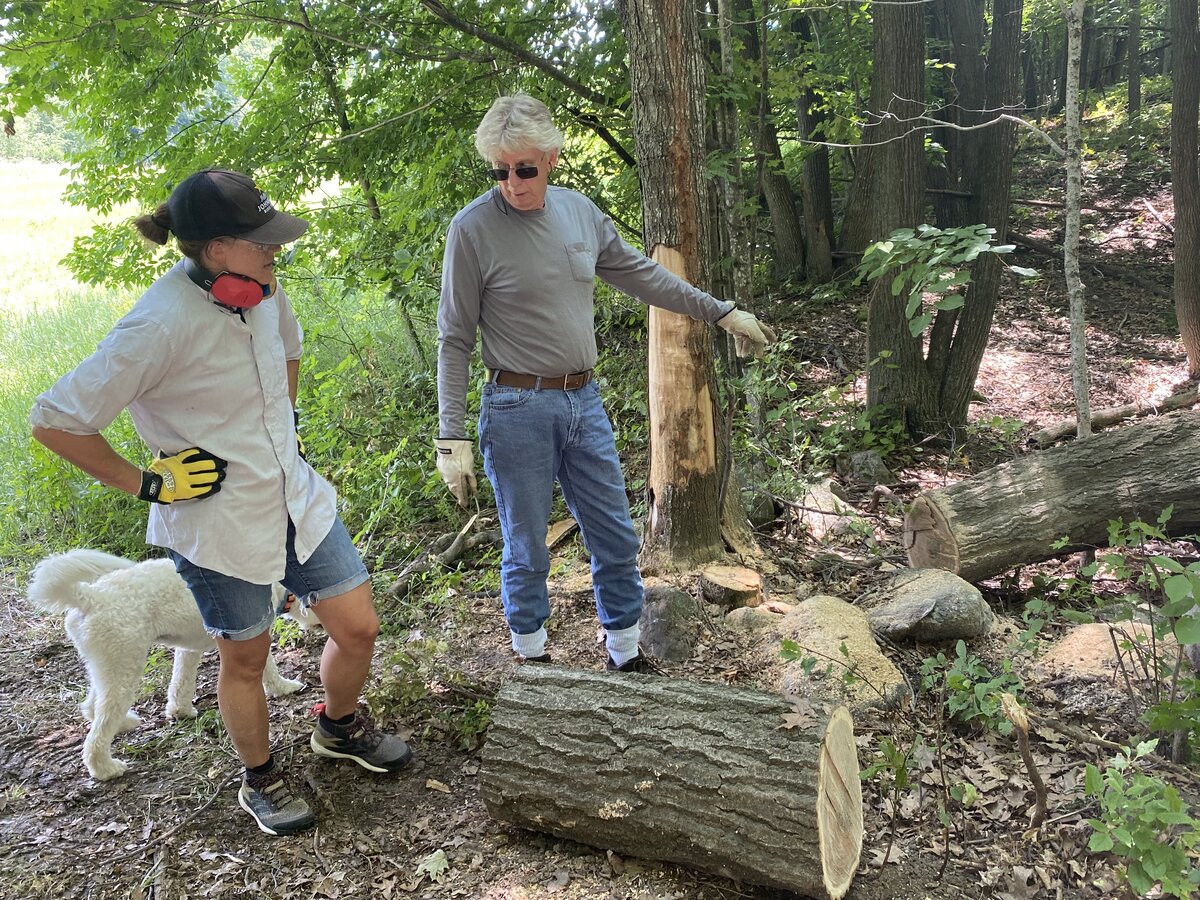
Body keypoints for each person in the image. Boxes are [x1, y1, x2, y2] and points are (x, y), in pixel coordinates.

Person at [30, 168, 412, 836]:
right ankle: (260, 778)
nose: (276, 251)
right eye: (261, 240)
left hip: (294, 496)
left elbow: (287, 352)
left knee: (358, 625)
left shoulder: (263, 290)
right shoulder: (156, 324)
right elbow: (54, 419)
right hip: (217, 524)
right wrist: (148, 483)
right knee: (245, 658)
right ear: (215, 251)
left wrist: (280, 428)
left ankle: (338, 728)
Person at [435, 94, 776, 672]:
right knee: (526, 545)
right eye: (499, 169)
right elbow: (454, 337)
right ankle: (533, 659)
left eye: (524, 168)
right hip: (515, 406)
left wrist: (720, 312)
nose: (512, 183)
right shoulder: (472, 229)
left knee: (616, 536)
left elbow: (644, 276)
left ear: (552, 158)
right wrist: (451, 436)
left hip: (582, 401)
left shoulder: (579, 214)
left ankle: (624, 653)